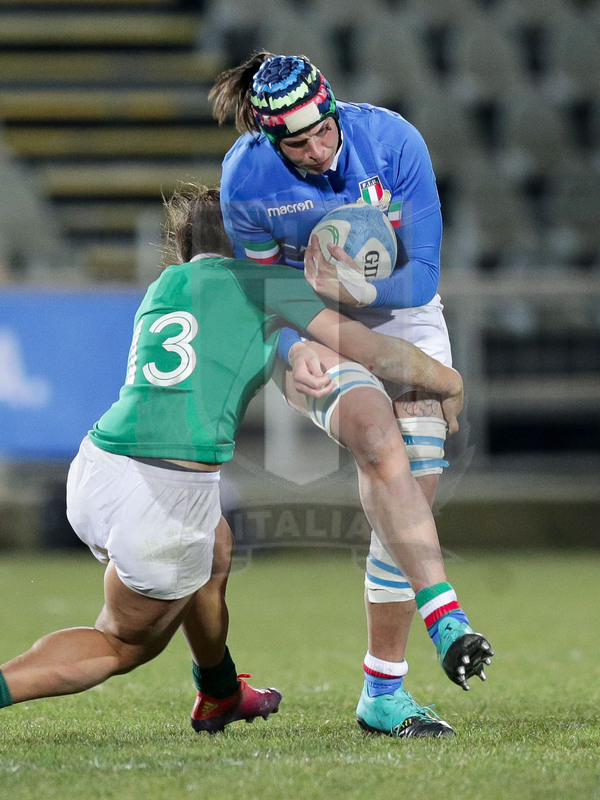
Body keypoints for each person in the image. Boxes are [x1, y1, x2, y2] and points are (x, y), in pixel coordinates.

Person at [0, 184, 472, 738]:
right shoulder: (266, 282)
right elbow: (373, 351)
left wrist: (293, 353)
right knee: (125, 642)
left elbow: (228, 341)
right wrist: (447, 379)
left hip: (98, 467)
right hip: (166, 492)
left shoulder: (167, 285)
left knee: (216, 543)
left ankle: (220, 692)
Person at [209, 52, 494, 738]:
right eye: (297, 143)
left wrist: (345, 286)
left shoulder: (393, 141)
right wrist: (294, 345)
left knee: (416, 471)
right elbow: (262, 294)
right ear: (267, 136)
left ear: (335, 109)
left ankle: (380, 694)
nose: (316, 149)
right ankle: (442, 614)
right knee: (372, 430)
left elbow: (421, 276)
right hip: (303, 324)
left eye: (324, 132)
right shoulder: (245, 177)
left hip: (394, 310)